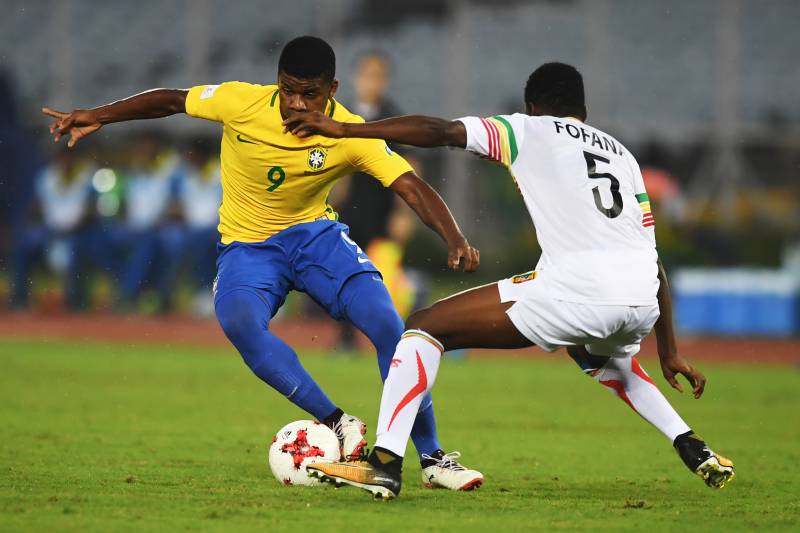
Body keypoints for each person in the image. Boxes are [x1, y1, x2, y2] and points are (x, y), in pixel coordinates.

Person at [42, 36, 484, 490]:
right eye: (288, 89)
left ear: (331, 89)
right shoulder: (241, 103)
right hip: (248, 248)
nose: (295, 103)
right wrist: (99, 115)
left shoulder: (350, 133)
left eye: (309, 93)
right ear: (277, 82)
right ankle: (336, 423)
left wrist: (454, 236)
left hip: (316, 240)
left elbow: (409, 184)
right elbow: (172, 101)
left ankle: (433, 459)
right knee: (238, 321)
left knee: (389, 326)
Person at [284, 62, 736, 499]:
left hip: (577, 292)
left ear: (533, 105)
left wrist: (346, 129)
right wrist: (670, 350)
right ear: (583, 109)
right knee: (603, 359)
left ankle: (383, 464)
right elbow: (653, 261)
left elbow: (441, 132)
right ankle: (691, 445)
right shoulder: (623, 157)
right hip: (640, 300)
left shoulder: (529, 129)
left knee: (423, 326)